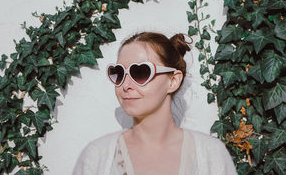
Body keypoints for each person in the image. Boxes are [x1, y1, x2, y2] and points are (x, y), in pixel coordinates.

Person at [72, 31, 237, 175]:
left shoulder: (211, 155)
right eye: (119, 73)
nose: (126, 85)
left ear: (173, 81)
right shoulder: (96, 158)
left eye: (140, 72)